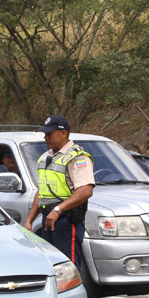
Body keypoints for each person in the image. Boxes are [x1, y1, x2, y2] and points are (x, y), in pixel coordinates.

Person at [24, 115, 94, 271]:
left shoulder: (77, 157)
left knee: (69, 268)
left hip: (66, 220)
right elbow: (42, 191)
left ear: (64, 133)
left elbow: (85, 190)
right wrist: (30, 220)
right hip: (48, 219)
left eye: (50, 133)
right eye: (45, 134)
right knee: (52, 268)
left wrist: (58, 209)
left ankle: (75, 296)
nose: (46, 137)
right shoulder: (45, 157)